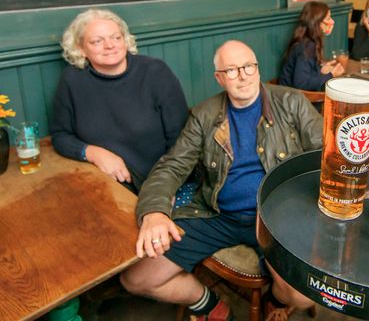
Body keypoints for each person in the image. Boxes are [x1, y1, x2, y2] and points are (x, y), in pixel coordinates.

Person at [120, 40, 322, 321]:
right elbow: (172, 166)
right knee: (136, 279)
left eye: (249, 66)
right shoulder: (205, 114)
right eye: (232, 70)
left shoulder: (291, 102)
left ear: (257, 68)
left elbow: (325, 149)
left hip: (276, 217)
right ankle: (210, 305)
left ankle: (273, 300)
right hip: (216, 214)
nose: (243, 76)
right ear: (219, 77)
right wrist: (153, 210)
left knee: (299, 293)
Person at [51, 8, 188, 193]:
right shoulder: (72, 80)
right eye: (97, 41)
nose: (110, 45)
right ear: (80, 49)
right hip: (102, 184)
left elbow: (182, 142)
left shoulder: (155, 72)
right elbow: (60, 135)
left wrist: (163, 189)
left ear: (125, 40)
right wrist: (93, 153)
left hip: (158, 183)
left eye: (116, 37)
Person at [279, 1, 344, 91]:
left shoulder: (307, 41)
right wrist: (331, 75)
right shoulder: (307, 47)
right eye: (328, 18)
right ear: (317, 23)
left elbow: (305, 71)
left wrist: (320, 69)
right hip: (291, 99)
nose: (332, 21)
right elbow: (301, 83)